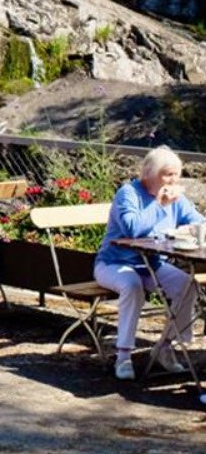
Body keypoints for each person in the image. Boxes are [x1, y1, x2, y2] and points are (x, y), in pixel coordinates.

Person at [94, 146, 204, 381]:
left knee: (188, 285)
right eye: (167, 174)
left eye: (176, 174)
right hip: (113, 263)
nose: (173, 180)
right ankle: (123, 356)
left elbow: (197, 220)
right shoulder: (129, 193)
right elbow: (132, 229)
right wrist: (160, 204)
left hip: (151, 264)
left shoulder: (176, 197)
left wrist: (195, 228)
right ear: (149, 173)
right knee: (132, 285)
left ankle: (165, 346)